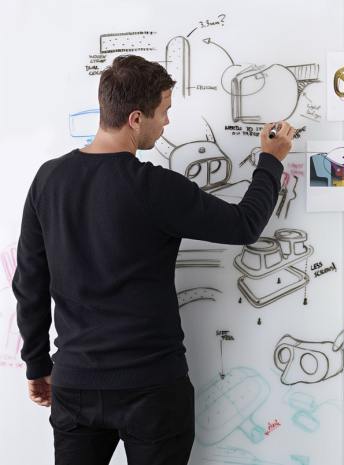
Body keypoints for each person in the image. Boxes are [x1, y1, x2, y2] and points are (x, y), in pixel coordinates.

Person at [12, 54, 295, 465]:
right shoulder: (155, 187)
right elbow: (244, 225)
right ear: (135, 118)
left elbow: (30, 280)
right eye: (164, 112)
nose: (166, 123)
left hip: (76, 384)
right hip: (152, 387)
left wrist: (36, 364)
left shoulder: (48, 179)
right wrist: (271, 160)